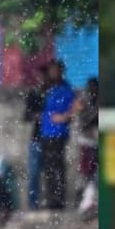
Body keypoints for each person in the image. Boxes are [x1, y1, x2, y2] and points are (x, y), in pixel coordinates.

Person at [38, 59, 75, 210]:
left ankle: (58, 200)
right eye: (51, 70)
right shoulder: (49, 89)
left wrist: (64, 117)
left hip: (58, 133)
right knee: (48, 168)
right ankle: (50, 199)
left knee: (57, 167)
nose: (52, 73)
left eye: (55, 70)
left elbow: (74, 109)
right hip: (46, 133)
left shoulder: (65, 89)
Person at [22, 66, 48, 210]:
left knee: (50, 173)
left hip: (52, 138)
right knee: (34, 172)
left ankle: (48, 202)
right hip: (37, 138)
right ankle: (34, 204)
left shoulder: (53, 94)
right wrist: (37, 116)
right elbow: (26, 115)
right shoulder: (34, 94)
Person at [75, 76, 99, 219]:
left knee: (93, 176)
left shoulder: (94, 104)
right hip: (87, 143)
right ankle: (85, 205)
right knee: (87, 175)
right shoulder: (84, 104)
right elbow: (85, 122)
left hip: (94, 144)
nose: (92, 92)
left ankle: (89, 203)